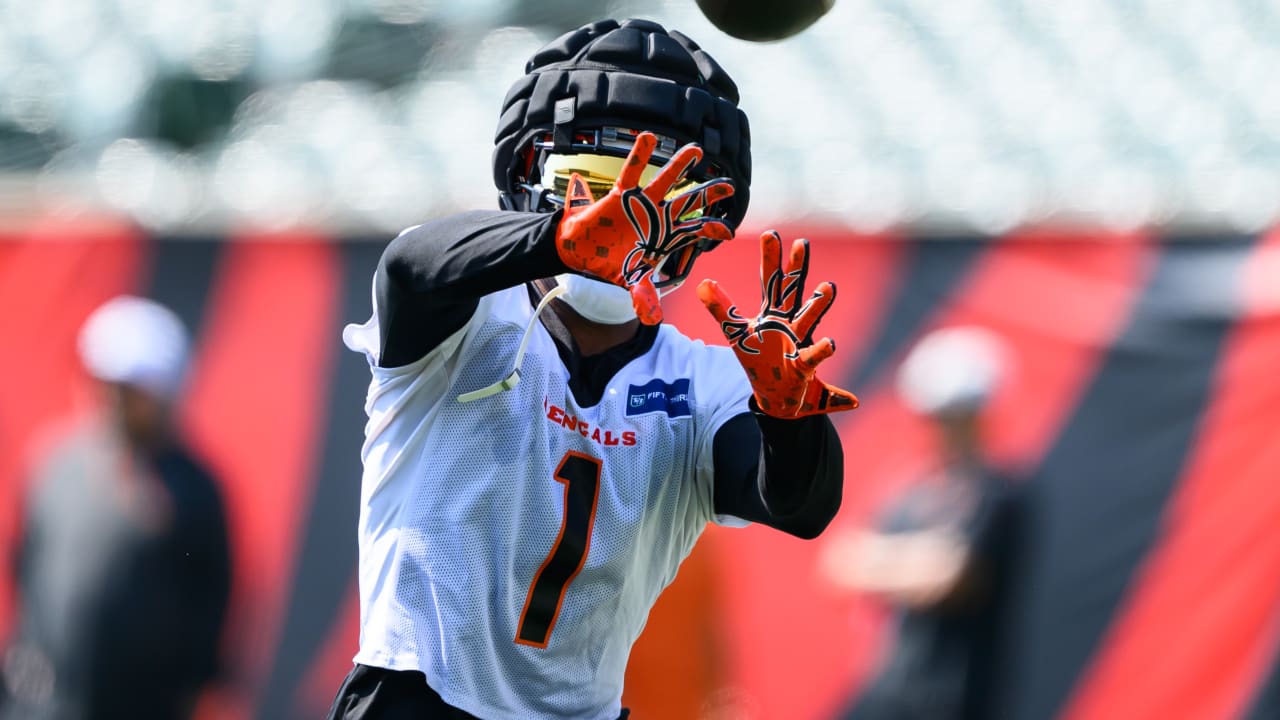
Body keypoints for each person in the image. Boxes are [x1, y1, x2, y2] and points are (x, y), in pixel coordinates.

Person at [328, 17, 860, 720]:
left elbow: (800, 507)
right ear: (530, 180)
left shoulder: (707, 383)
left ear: (699, 221)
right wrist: (557, 240)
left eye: (654, 202)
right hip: (415, 700)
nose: (621, 216)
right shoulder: (466, 319)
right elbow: (414, 266)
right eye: (590, 187)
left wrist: (791, 422)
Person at [2, 296, 231, 720]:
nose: (111, 397)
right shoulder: (56, 466)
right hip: (44, 706)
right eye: (103, 380)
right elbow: (27, 573)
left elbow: (211, 605)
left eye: (128, 389)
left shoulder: (195, 489)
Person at [820, 327, 1025, 720]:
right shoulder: (906, 488)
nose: (940, 428)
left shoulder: (999, 493)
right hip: (887, 692)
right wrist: (922, 560)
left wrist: (884, 562)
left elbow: (948, 580)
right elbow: (839, 564)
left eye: (951, 416)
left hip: (959, 697)